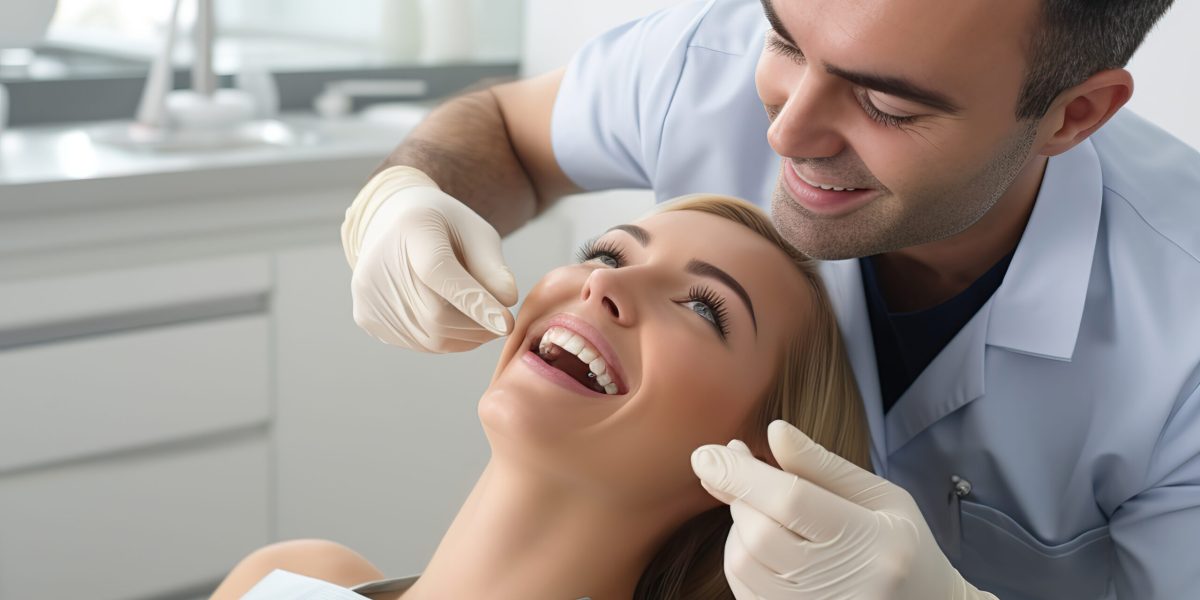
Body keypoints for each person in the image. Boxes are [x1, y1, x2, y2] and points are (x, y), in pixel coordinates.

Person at [340, 0, 1200, 598]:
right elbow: (506, 132)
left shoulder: (1180, 339)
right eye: (785, 42)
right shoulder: (700, 65)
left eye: (887, 104)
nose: (786, 133)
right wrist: (403, 196)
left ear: (1074, 113)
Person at [210, 195, 871, 599]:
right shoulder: (288, 574)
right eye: (607, 254)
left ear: (759, 465)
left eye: (704, 309)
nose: (602, 287)